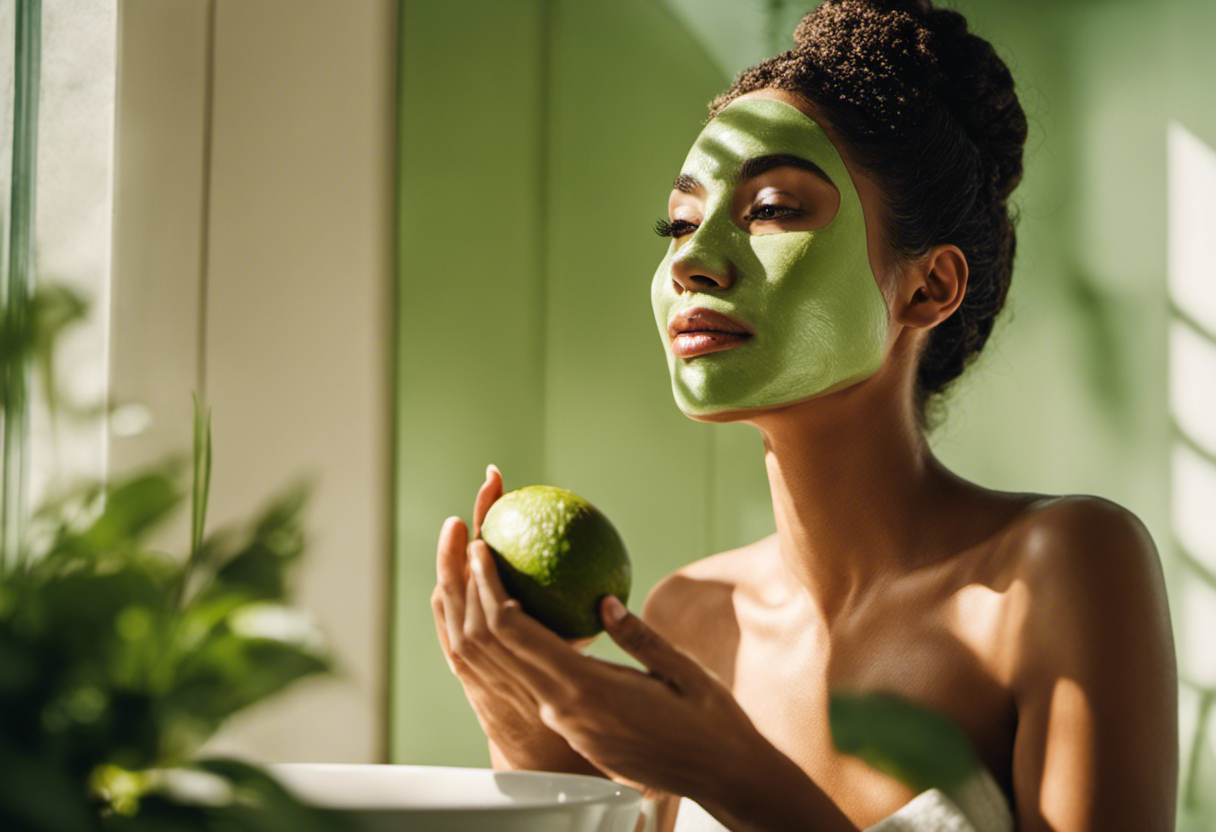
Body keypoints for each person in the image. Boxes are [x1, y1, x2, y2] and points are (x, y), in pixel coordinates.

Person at [431, 1, 1179, 830]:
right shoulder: (691, 614)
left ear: (928, 287)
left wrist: (726, 770)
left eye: (774, 209)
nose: (691, 260)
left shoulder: (1059, 572)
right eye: (677, 223)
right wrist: (517, 722)